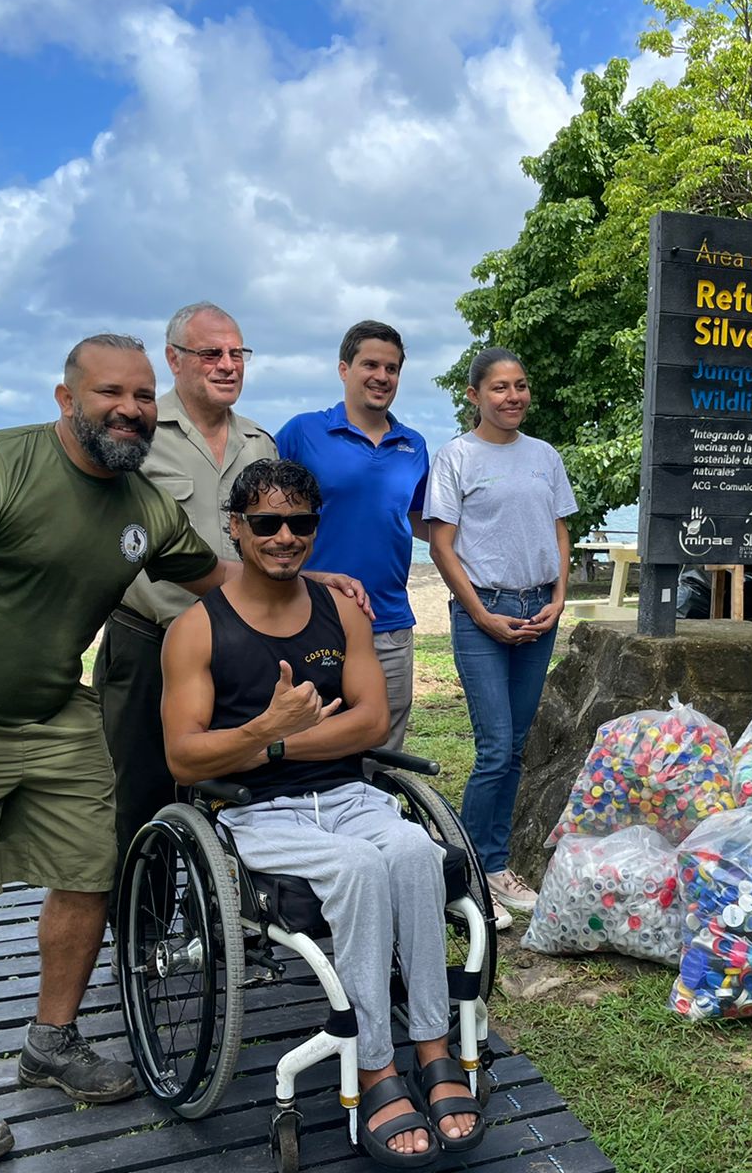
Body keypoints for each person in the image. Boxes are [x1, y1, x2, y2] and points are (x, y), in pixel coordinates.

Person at [0, 335, 231, 1167]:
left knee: (88, 871)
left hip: (55, 713)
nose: (131, 409)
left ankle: (52, 1041)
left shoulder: (146, 507)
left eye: (142, 396)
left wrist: (318, 586)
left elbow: (221, 582)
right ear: (67, 398)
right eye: (111, 393)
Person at [160, 459, 484, 1169]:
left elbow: (369, 723)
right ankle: (374, 1066)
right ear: (236, 528)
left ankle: (432, 1046)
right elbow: (185, 758)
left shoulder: (341, 611)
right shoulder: (196, 630)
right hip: (257, 812)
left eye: (300, 522)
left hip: (348, 795)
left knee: (414, 852)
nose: (285, 536)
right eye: (267, 522)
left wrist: (272, 743)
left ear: (315, 528)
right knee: (359, 867)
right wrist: (267, 729)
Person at [95, 302, 278, 926]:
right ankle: (141, 943)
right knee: (141, 798)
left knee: (235, 789)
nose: (227, 365)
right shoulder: (138, 434)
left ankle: (221, 931)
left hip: (237, 646)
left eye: (236, 353)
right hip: (149, 641)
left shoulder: (260, 443)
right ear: (174, 359)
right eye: (210, 353)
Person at [425, 348, 575, 931]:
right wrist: (480, 614)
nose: (513, 397)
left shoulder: (545, 456)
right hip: (482, 613)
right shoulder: (456, 457)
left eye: (520, 385)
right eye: (499, 387)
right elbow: (441, 545)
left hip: (540, 611)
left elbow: (559, 532)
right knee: (493, 749)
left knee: (514, 747)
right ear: (475, 395)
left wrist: (559, 598)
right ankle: (464, 875)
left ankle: (495, 866)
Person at [276, 321, 429, 750]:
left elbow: (423, 521)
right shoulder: (302, 432)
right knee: (309, 743)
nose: (382, 376)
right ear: (344, 369)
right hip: (310, 619)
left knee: (384, 747)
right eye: (370, 365)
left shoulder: (414, 445)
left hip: (389, 622)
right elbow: (260, 511)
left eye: (392, 368)